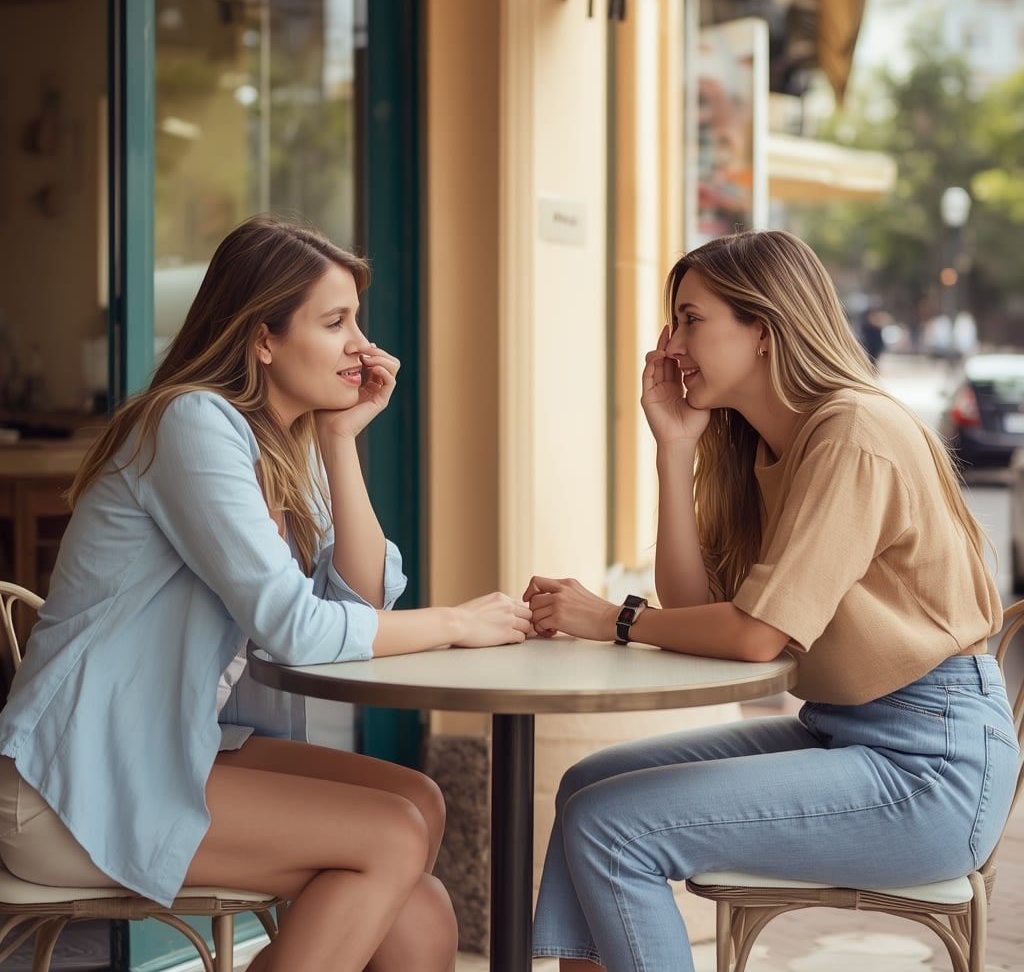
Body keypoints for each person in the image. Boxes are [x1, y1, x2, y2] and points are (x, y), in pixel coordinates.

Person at [0, 215, 534, 972]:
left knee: (420, 831)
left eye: (358, 320)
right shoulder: (190, 424)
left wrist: (341, 440)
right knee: (391, 839)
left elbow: (359, 603)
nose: (361, 345)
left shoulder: (285, 440)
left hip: (164, 750)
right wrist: (454, 623)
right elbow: (294, 627)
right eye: (335, 322)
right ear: (263, 338)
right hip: (72, 780)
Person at [523, 229, 1017, 972]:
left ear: (763, 328)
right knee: (588, 787)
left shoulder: (852, 432)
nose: (671, 341)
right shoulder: (765, 447)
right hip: (845, 733)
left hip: (930, 766)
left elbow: (756, 638)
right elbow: (693, 612)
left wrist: (610, 617)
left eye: (692, 318)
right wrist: (673, 450)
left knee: (610, 826)